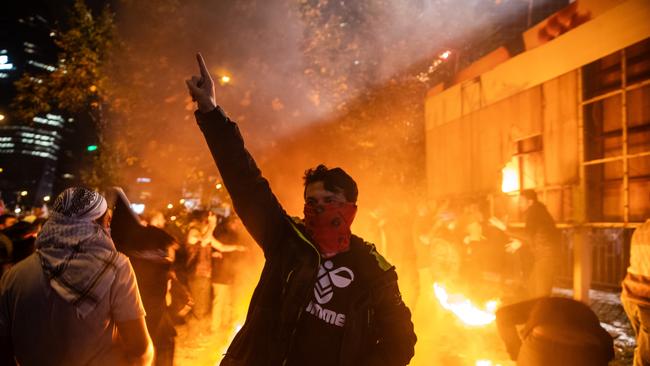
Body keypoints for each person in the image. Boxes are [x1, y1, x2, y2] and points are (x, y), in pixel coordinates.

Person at [186, 53, 416, 366]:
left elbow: (400, 343)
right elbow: (246, 183)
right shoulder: (286, 239)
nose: (318, 209)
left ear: (351, 208)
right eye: (311, 202)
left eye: (329, 201)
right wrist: (211, 113)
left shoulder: (373, 268)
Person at [0, 187, 153, 366]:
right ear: (98, 223)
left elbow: (3, 350)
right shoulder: (116, 268)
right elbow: (140, 349)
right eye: (107, 221)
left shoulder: (14, 276)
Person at [496, 297, 614, 365]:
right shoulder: (586, 316)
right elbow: (608, 348)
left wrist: (516, 352)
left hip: (540, 349)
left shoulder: (541, 305)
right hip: (585, 352)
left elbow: (502, 316)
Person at [621, 218, 650, 366]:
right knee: (647, 356)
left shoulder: (640, 230)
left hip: (630, 295)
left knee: (643, 344)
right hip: (646, 300)